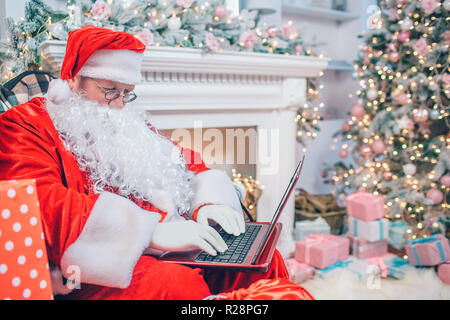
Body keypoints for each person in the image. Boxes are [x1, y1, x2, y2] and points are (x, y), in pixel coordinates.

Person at [0, 25, 311, 300]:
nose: (120, 104)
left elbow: (182, 162)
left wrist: (207, 205)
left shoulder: (125, 120)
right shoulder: (25, 124)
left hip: (166, 247)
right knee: (175, 285)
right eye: (110, 91)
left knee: (253, 263)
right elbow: (39, 204)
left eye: (127, 93)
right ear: (73, 79)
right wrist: (148, 233)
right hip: (91, 267)